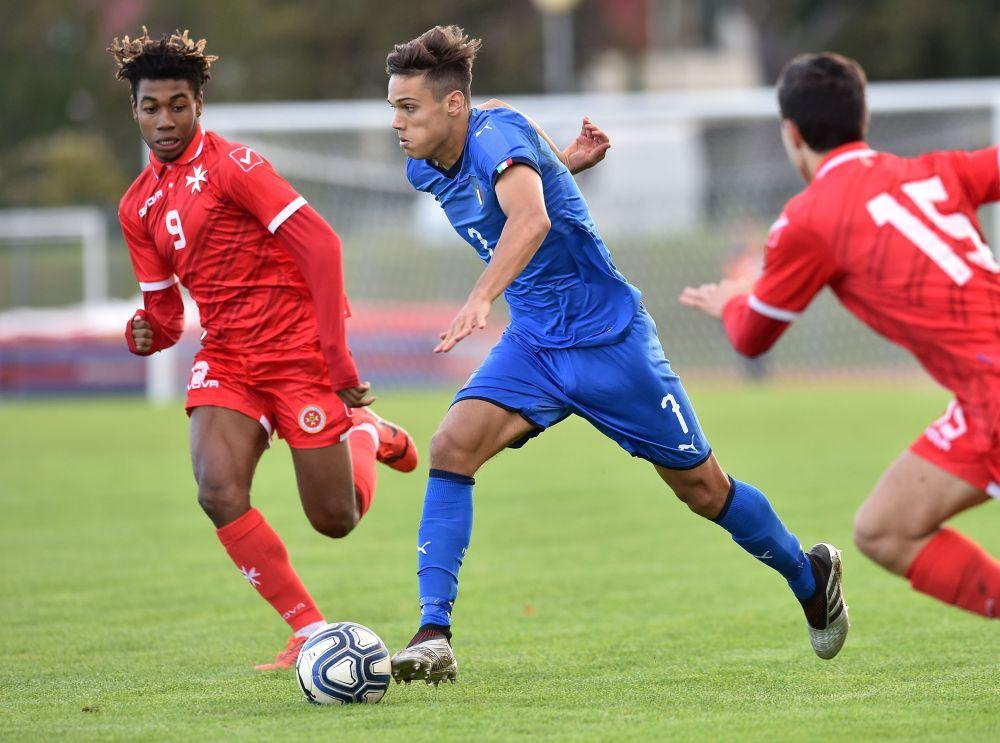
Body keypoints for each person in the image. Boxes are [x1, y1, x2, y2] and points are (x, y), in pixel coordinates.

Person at [385, 25, 849, 686]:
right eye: (394, 108)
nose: (398, 123)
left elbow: (532, 218)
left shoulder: (498, 134)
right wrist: (567, 162)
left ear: (454, 104)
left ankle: (811, 575)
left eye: (410, 108)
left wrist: (482, 294)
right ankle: (434, 631)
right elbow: (529, 182)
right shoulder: (424, 166)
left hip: (611, 342)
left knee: (704, 491)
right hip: (538, 343)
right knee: (452, 445)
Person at [108, 28, 419, 669]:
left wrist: (337, 361)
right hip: (227, 356)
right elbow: (165, 316)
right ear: (134, 111)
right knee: (217, 491)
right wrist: (145, 334)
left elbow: (322, 245)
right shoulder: (138, 206)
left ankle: (366, 433)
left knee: (336, 519)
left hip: (298, 351)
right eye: (150, 107)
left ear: (199, 105)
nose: (164, 120)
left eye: (177, 105)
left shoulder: (234, 167)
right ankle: (307, 630)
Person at [681, 52, 1000, 621]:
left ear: (792, 133)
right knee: (885, 528)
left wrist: (732, 299)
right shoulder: (937, 170)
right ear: (864, 117)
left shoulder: (810, 219)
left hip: (992, 392)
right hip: (983, 399)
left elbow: (752, 337)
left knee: (887, 532)